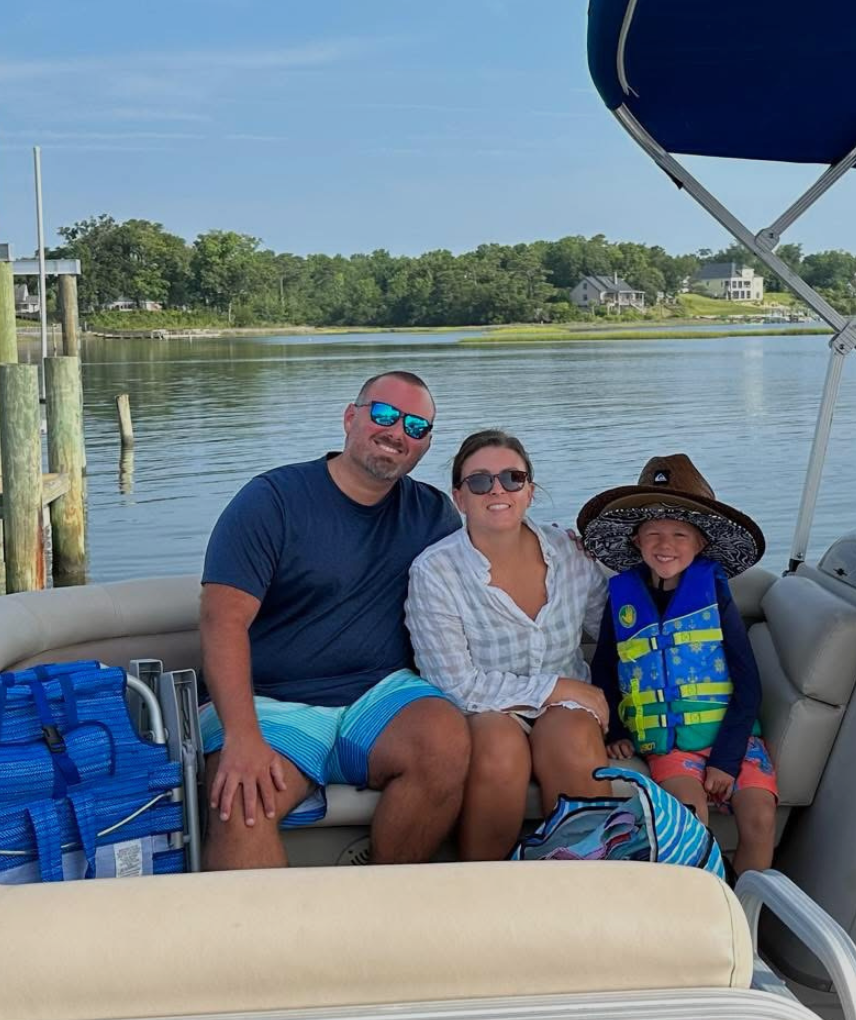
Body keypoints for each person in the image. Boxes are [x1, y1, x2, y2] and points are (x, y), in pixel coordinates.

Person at [200, 370, 470, 869]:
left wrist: (564, 549)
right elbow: (222, 622)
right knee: (242, 805)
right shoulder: (271, 501)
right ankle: (275, 945)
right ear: (350, 417)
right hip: (272, 704)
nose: (396, 432)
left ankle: (383, 915)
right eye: (385, 415)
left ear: (426, 445)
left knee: (446, 741)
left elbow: (493, 561)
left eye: (415, 426)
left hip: (379, 694)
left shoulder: (434, 517)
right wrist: (242, 738)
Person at [405, 430, 610, 860]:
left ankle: (589, 893)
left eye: (512, 479)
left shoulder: (571, 553)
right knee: (500, 751)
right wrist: (559, 688)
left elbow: (611, 628)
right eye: (479, 481)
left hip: (566, 708)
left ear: (529, 492)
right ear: (460, 498)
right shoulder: (434, 571)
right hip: (485, 706)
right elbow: (455, 686)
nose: (497, 490)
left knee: (572, 738)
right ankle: (486, 893)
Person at [580, 455, 777, 875]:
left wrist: (725, 759)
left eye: (678, 534)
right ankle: (697, 915)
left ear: (700, 543)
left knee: (760, 818)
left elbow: (749, 683)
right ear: (636, 541)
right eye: (652, 533)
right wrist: (615, 729)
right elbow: (603, 670)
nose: (664, 544)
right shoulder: (622, 597)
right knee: (689, 819)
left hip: (733, 740)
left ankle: (744, 919)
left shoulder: (717, 597)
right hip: (672, 748)